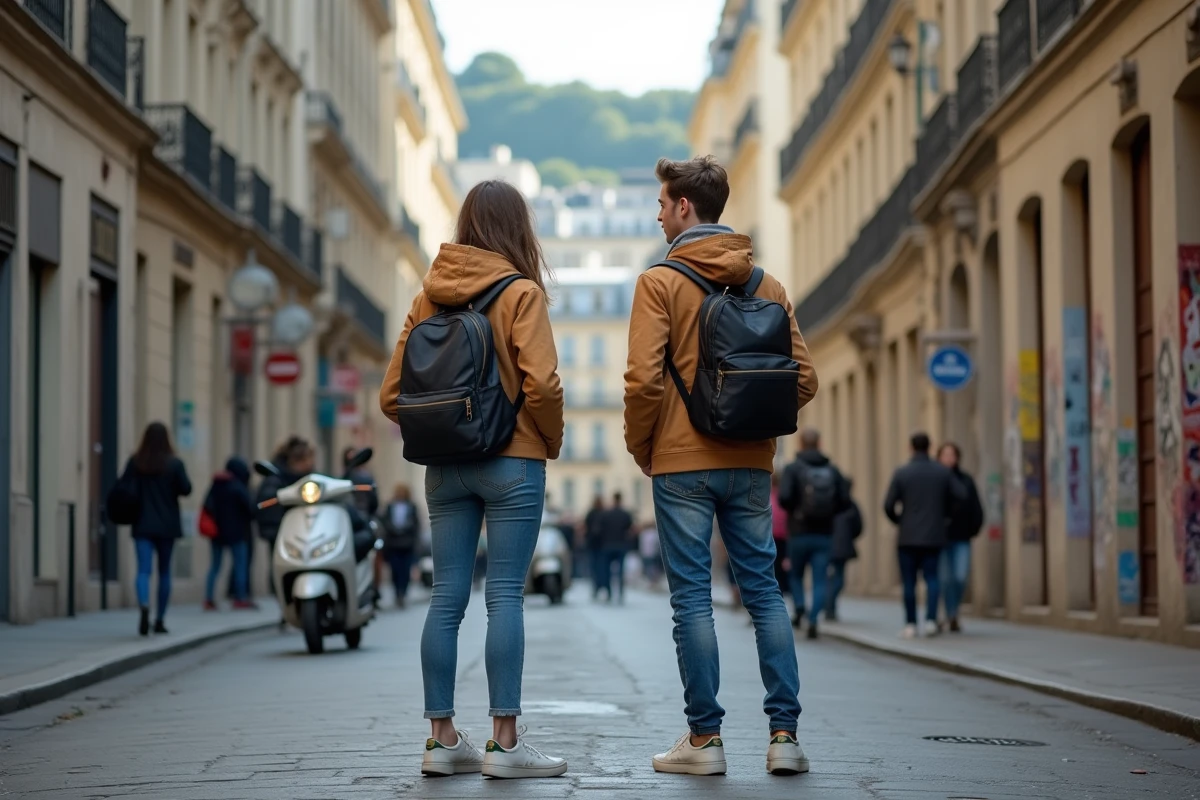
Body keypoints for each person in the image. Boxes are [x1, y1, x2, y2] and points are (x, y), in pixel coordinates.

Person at [624, 156, 818, 776]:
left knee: (693, 602)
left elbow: (642, 382)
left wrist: (642, 447)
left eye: (661, 204)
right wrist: (752, 421)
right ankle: (784, 737)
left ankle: (704, 742)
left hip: (681, 462)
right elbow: (804, 380)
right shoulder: (767, 285)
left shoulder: (659, 282)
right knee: (763, 592)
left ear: (685, 207)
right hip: (752, 466)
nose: (657, 215)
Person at [379, 179, 567, 779]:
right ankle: (505, 745)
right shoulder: (521, 293)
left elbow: (391, 396)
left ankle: (440, 740)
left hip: (444, 469)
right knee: (505, 594)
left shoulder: (427, 298)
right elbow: (542, 385)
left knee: (446, 597)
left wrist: (442, 426)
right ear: (519, 229)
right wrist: (547, 439)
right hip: (513, 462)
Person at [883, 432, 967, 638]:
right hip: (934, 535)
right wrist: (946, 515)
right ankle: (930, 620)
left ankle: (911, 624)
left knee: (909, 582)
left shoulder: (902, 472)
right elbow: (961, 496)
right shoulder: (941, 472)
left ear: (910, 448)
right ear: (930, 448)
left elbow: (888, 505)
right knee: (932, 579)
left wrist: (899, 521)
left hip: (908, 537)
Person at [778, 428, 851, 640]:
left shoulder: (793, 469)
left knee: (795, 574)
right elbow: (845, 501)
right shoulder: (832, 469)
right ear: (820, 444)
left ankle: (800, 605)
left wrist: (797, 511)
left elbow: (784, 498)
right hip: (824, 533)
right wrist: (828, 514)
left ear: (800, 444)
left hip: (798, 533)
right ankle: (813, 619)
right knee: (820, 579)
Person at [122, 422, 192, 636]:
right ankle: (160, 619)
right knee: (164, 573)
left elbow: (123, 487)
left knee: (143, 570)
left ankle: (144, 604)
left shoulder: (136, 462)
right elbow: (186, 489)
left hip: (142, 523)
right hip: (166, 525)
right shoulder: (174, 464)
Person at [256, 437, 316, 616]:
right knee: (283, 569)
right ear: (297, 460)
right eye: (307, 459)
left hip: (304, 528)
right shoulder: (277, 476)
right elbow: (267, 500)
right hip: (282, 531)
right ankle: (286, 606)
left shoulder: (310, 478)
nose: (311, 463)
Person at [937, 443, 984, 632]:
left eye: (952, 455)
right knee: (944, 579)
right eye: (945, 455)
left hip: (961, 537)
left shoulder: (965, 480)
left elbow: (975, 506)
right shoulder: (935, 480)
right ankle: (950, 614)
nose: (949, 458)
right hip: (940, 539)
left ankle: (953, 610)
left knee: (960, 576)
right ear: (939, 457)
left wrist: (973, 528)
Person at [203, 458, 256, 611]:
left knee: (215, 566)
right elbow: (250, 509)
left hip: (217, 533)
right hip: (237, 532)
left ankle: (209, 598)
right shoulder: (238, 487)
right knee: (240, 565)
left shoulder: (216, 485)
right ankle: (240, 598)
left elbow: (207, 506)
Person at [826, 478, 864, 622]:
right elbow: (859, 526)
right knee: (839, 579)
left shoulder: (828, 504)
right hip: (842, 548)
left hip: (828, 545)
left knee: (829, 578)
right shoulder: (851, 505)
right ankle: (830, 606)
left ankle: (828, 606)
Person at [381, 483, 420, 609]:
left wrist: (404, 529)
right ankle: (397, 592)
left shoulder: (412, 507)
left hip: (407, 544)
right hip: (393, 545)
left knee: (405, 570)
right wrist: (394, 529)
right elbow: (385, 522)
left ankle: (403, 593)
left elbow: (415, 524)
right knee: (395, 570)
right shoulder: (390, 507)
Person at [596, 491, 634, 603]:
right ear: (621, 499)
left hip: (607, 545)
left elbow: (599, 530)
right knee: (620, 571)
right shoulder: (625, 514)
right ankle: (621, 593)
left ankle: (609, 593)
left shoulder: (606, 514)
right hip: (621, 545)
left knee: (607, 571)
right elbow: (630, 529)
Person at [770, 473, 790, 596]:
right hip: (785, 537)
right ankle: (780, 592)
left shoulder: (766, 496)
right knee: (782, 568)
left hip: (770, 537)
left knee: (772, 568)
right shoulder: (784, 496)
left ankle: (775, 594)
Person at [584, 495, 607, 600]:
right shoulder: (604, 513)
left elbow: (585, 527)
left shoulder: (591, 513)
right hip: (603, 544)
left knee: (594, 567)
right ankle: (603, 586)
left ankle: (596, 588)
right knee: (602, 567)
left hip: (592, 544)